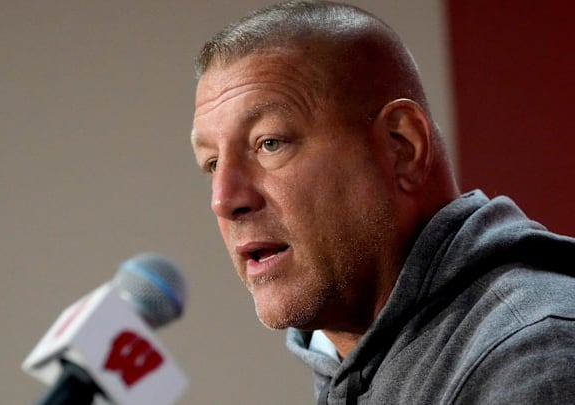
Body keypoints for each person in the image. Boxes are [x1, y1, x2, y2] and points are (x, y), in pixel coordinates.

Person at [190, 1, 575, 404]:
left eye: (269, 143)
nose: (225, 198)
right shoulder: (351, 366)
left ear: (402, 147)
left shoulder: (533, 357)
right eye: (212, 163)